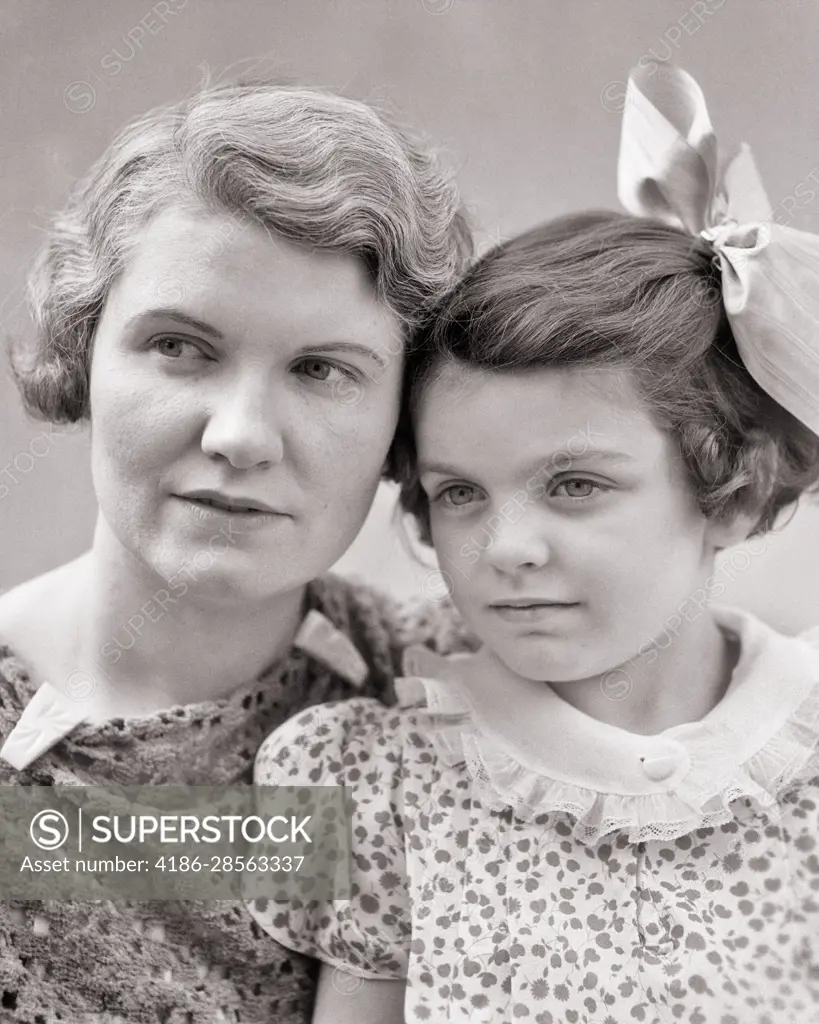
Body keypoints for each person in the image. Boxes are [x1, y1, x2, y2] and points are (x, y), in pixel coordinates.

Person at [249, 64, 819, 1023]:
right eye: (460, 492)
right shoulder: (382, 779)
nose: (507, 546)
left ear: (734, 490)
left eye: (575, 485)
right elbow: (53, 848)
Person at [0, 77, 473, 1023]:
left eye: (322, 369)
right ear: (80, 350)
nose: (241, 435)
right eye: (181, 347)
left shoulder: (454, 698)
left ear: (405, 421)